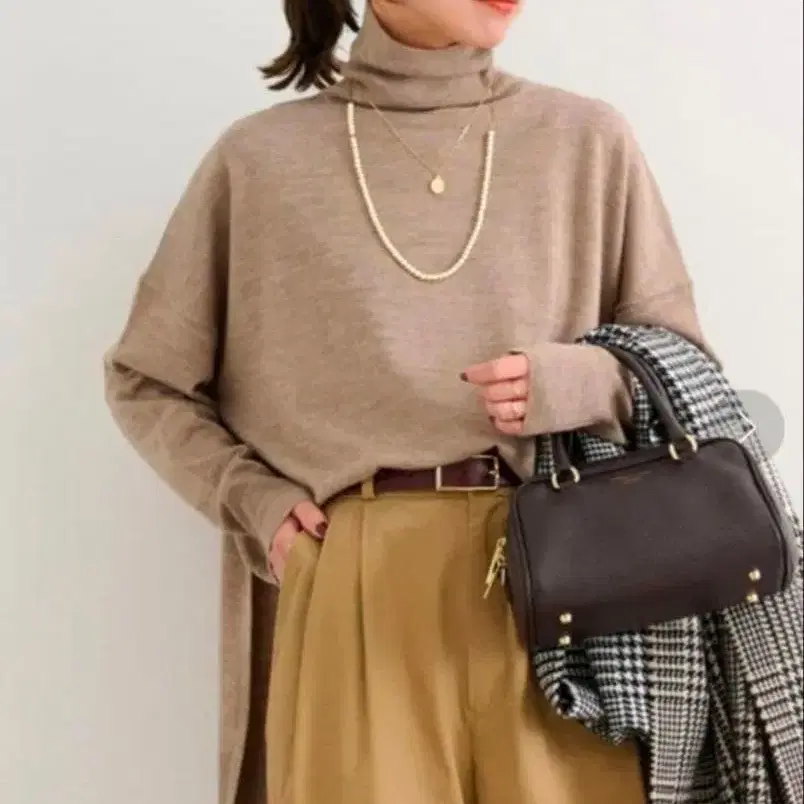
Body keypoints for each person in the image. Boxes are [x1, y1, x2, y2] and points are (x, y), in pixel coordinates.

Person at [103, 1, 714, 802]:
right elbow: (146, 378)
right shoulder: (260, 162)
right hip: (355, 580)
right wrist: (254, 503)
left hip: (568, 588)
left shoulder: (585, 141)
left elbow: (683, 368)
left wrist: (576, 381)